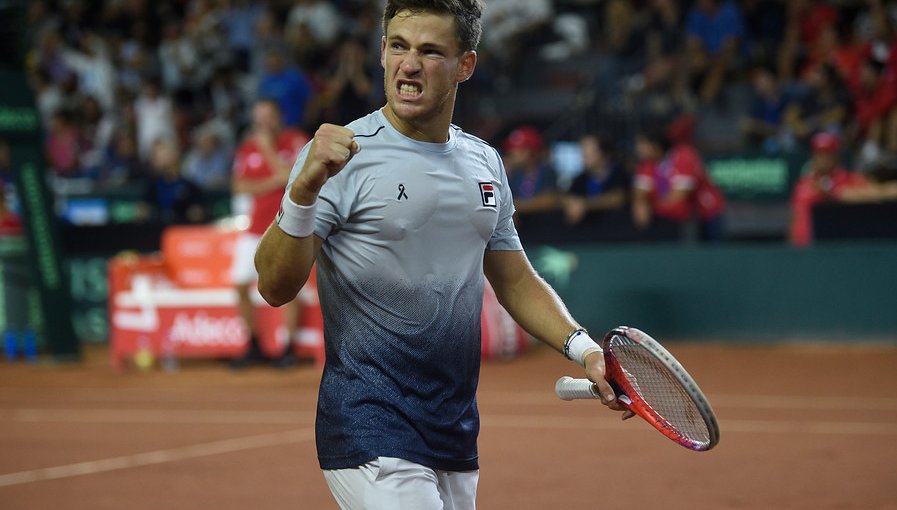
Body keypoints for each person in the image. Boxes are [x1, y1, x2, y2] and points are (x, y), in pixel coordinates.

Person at [253, 2, 630, 508]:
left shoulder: (484, 162)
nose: (409, 64)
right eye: (398, 46)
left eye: (430, 51)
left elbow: (515, 281)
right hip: (369, 422)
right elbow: (274, 288)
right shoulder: (341, 154)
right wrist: (301, 191)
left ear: (465, 66)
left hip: (453, 430)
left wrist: (584, 349)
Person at [229, 99, 309, 369]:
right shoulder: (247, 146)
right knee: (240, 285)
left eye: (267, 116)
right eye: (258, 117)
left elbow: (297, 178)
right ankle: (253, 345)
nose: (262, 122)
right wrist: (274, 180)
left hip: (286, 226)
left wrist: (268, 152)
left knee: (289, 287)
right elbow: (239, 187)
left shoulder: (296, 140)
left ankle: (287, 347)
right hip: (254, 229)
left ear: (279, 117)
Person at [788, 131, 897, 247]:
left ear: (836, 156)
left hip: (833, 249)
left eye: (827, 154)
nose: (823, 159)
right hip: (801, 249)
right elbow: (794, 218)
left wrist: (833, 194)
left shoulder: (849, 179)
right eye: (819, 154)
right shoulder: (804, 183)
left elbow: (886, 192)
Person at [632, 116, 726, 241]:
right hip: (679, 220)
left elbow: (679, 196)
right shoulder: (647, 165)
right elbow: (640, 195)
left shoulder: (684, 156)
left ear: (655, 146)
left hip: (707, 215)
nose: (638, 149)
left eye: (642, 145)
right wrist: (641, 204)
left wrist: (651, 206)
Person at [562, 133, 629, 225]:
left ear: (605, 154)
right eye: (582, 152)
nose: (583, 157)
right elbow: (570, 198)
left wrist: (586, 205)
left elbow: (619, 198)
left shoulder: (620, 173)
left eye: (589, 152)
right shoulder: (580, 179)